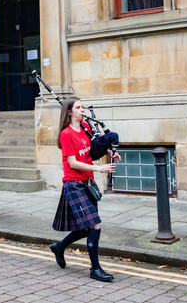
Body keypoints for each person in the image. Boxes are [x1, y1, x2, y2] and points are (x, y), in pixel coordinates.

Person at [49, 97, 118, 282]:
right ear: (69, 112)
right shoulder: (66, 134)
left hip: (88, 183)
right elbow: (73, 162)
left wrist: (110, 151)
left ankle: (59, 247)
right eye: (78, 107)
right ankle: (95, 269)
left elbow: (92, 150)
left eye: (82, 107)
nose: (82, 110)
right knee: (95, 224)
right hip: (74, 184)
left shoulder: (86, 128)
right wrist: (100, 168)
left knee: (87, 227)